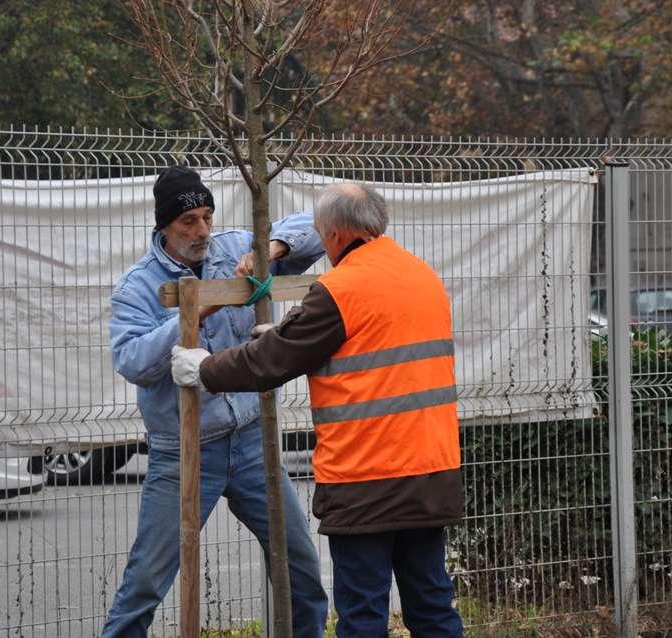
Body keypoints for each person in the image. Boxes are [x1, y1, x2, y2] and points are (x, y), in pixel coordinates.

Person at [171, 183, 465, 637]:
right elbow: (365, 346)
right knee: (432, 604)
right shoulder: (421, 275)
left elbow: (271, 363)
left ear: (335, 234)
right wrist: (286, 333)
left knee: (363, 614)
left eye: (323, 234)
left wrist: (204, 367)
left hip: (367, 479)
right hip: (431, 472)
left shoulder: (340, 287)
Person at [101, 166, 329, 638]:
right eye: (188, 222)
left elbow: (316, 230)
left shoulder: (233, 248)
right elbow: (132, 360)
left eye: (206, 217)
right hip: (184, 451)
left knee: (299, 564)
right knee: (147, 580)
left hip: (251, 441)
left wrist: (271, 250)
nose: (202, 231)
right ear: (164, 225)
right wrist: (198, 307)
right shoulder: (138, 287)